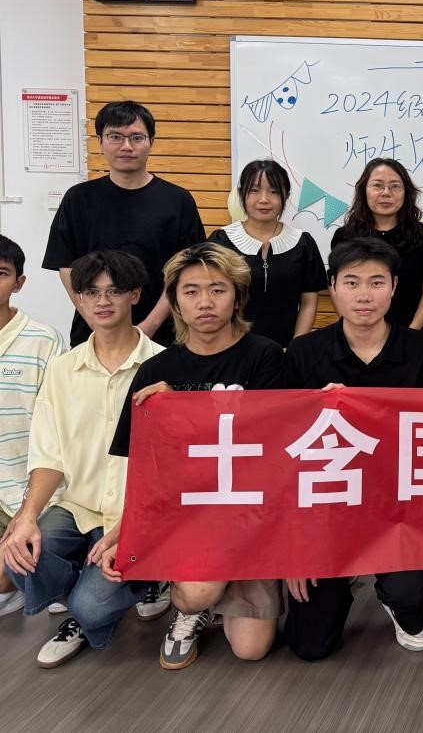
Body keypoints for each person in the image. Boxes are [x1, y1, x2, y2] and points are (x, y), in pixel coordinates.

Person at [0, 251, 163, 666]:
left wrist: (133, 526)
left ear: (135, 294)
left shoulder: (163, 365)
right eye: (91, 292)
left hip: (137, 514)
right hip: (77, 506)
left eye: (115, 290)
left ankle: (127, 588)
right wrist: (27, 516)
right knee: (18, 554)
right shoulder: (62, 369)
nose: (103, 301)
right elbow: (49, 455)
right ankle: (84, 592)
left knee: (92, 607)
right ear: (78, 299)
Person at [110, 242, 285, 670]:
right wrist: (126, 527)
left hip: (250, 513)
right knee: (197, 593)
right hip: (188, 514)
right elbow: (139, 465)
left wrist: (183, 407)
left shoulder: (266, 356)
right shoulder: (155, 371)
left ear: (238, 298)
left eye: (217, 290)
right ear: (174, 302)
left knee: (250, 649)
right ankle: (191, 607)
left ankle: (224, 585)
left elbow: (275, 446)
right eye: (190, 292)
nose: (204, 302)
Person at [281, 237, 423, 660]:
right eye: (352, 282)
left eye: (376, 283)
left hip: (398, 504)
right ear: (332, 286)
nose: (364, 295)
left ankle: (398, 600)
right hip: (327, 505)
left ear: (394, 287)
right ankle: (342, 578)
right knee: (309, 646)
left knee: (410, 598)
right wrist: (295, 545)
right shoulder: (303, 353)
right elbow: (283, 454)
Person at [43, 101, 206, 346]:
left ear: (151, 142)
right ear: (100, 141)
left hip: (162, 335)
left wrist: (149, 326)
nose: (126, 146)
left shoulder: (178, 200)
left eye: (137, 138)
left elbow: (186, 270)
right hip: (92, 333)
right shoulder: (78, 198)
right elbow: (66, 266)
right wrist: (93, 318)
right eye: (116, 137)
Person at [0, 234, 64, 635]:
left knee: (2, 573)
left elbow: (59, 433)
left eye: (0, 273)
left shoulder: (43, 340)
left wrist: (30, 506)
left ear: (19, 283)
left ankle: (5, 581)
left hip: (43, 490)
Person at [210, 159, 326, 347]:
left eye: (274, 191)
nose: (264, 199)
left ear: (286, 195)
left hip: (286, 350)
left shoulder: (303, 243)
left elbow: (309, 303)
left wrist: (295, 349)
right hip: (231, 349)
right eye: (254, 191)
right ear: (242, 194)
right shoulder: (221, 241)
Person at [331, 158, 423, 330]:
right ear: (364, 190)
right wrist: (353, 325)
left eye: (395, 186)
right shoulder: (345, 236)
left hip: (410, 331)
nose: (386, 193)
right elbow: (334, 285)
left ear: (406, 192)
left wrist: (412, 332)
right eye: (377, 185)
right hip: (358, 332)